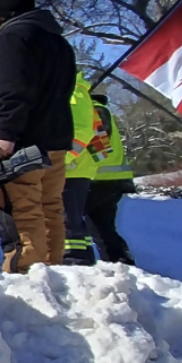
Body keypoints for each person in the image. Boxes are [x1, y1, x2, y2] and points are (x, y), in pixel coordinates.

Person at [0, 0, 77, 273]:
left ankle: (26, 273)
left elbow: (14, 91)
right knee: (50, 208)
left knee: (21, 210)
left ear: (2, 14)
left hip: (21, 143)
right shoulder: (58, 42)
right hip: (55, 139)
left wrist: (5, 136)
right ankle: (53, 271)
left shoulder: (14, 38)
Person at [86, 93, 135, 265]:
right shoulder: (99, 109)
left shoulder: (93, 109)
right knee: (103, 228)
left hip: (98, 178)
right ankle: (120, 263)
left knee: (72, 223)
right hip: (111, 178)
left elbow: (99, 147)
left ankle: (82, 263)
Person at [61, 73, 100, 265]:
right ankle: (84, 260)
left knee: (67, 221)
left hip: (71, 169)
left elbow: (82, 130)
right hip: (75, 168)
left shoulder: (73, 91)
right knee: (73, 221)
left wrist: (60, 159)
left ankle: (74, 262)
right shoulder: (73, 90)